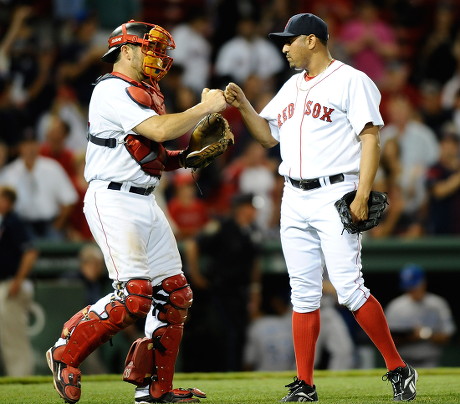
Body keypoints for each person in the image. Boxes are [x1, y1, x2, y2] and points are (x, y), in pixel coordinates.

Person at [224, 13, 418, 402]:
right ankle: (305, 385)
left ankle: (399, 368)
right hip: (293, 197)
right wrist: (244, 103)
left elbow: (370, 138)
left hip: (336, 192)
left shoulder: (352, 80)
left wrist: (363, 193)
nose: (283, 47)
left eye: (289, 40)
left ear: (311, 40)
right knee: (303, 293)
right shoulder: (292, 85)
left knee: (348, 288)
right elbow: (266, 137)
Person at [45, 19, 226, 404]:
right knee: (135, 296)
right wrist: (205, 106)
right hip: (112, 199)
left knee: (175, 294)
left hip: (145, 198)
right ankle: (66, 353)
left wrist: (187, 156)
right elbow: (160, 131)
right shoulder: (111, 89)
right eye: (150, 48)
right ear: (125, 50)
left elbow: (153, 154)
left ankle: (155, 390)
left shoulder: (145, 92)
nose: (158, 57)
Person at [183, 192, 262, 372]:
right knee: (223, 333)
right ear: (241, 208)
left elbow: (255, 262)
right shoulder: (222, 226)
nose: (254, 212)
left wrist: (255, 290)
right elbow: (192, 244)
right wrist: (195, 274)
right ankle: (222, 370)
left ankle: (235, 371)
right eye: (251, 207)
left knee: (240, 333)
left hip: (240, 291)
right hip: (219, 291)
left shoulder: (253, 230)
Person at [385, 265, 457, 368]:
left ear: (423, 283)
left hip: (430, 362)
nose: (412, 290)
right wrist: (409, 336)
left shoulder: (438, 304)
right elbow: (387, 341)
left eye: (415, 286)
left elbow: (447, 336)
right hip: (403, 362)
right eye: (409, 287)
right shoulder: (395, 306)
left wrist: (425, 334)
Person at [0, 185, 38, 376]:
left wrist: (17, 281)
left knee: (13, 335)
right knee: (8, 335)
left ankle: (21, 376)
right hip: (9, 283)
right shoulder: (5, 222)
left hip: (13, 284)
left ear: (8, 201)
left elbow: (31, 252)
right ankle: (17, 375)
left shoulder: (13, 221)